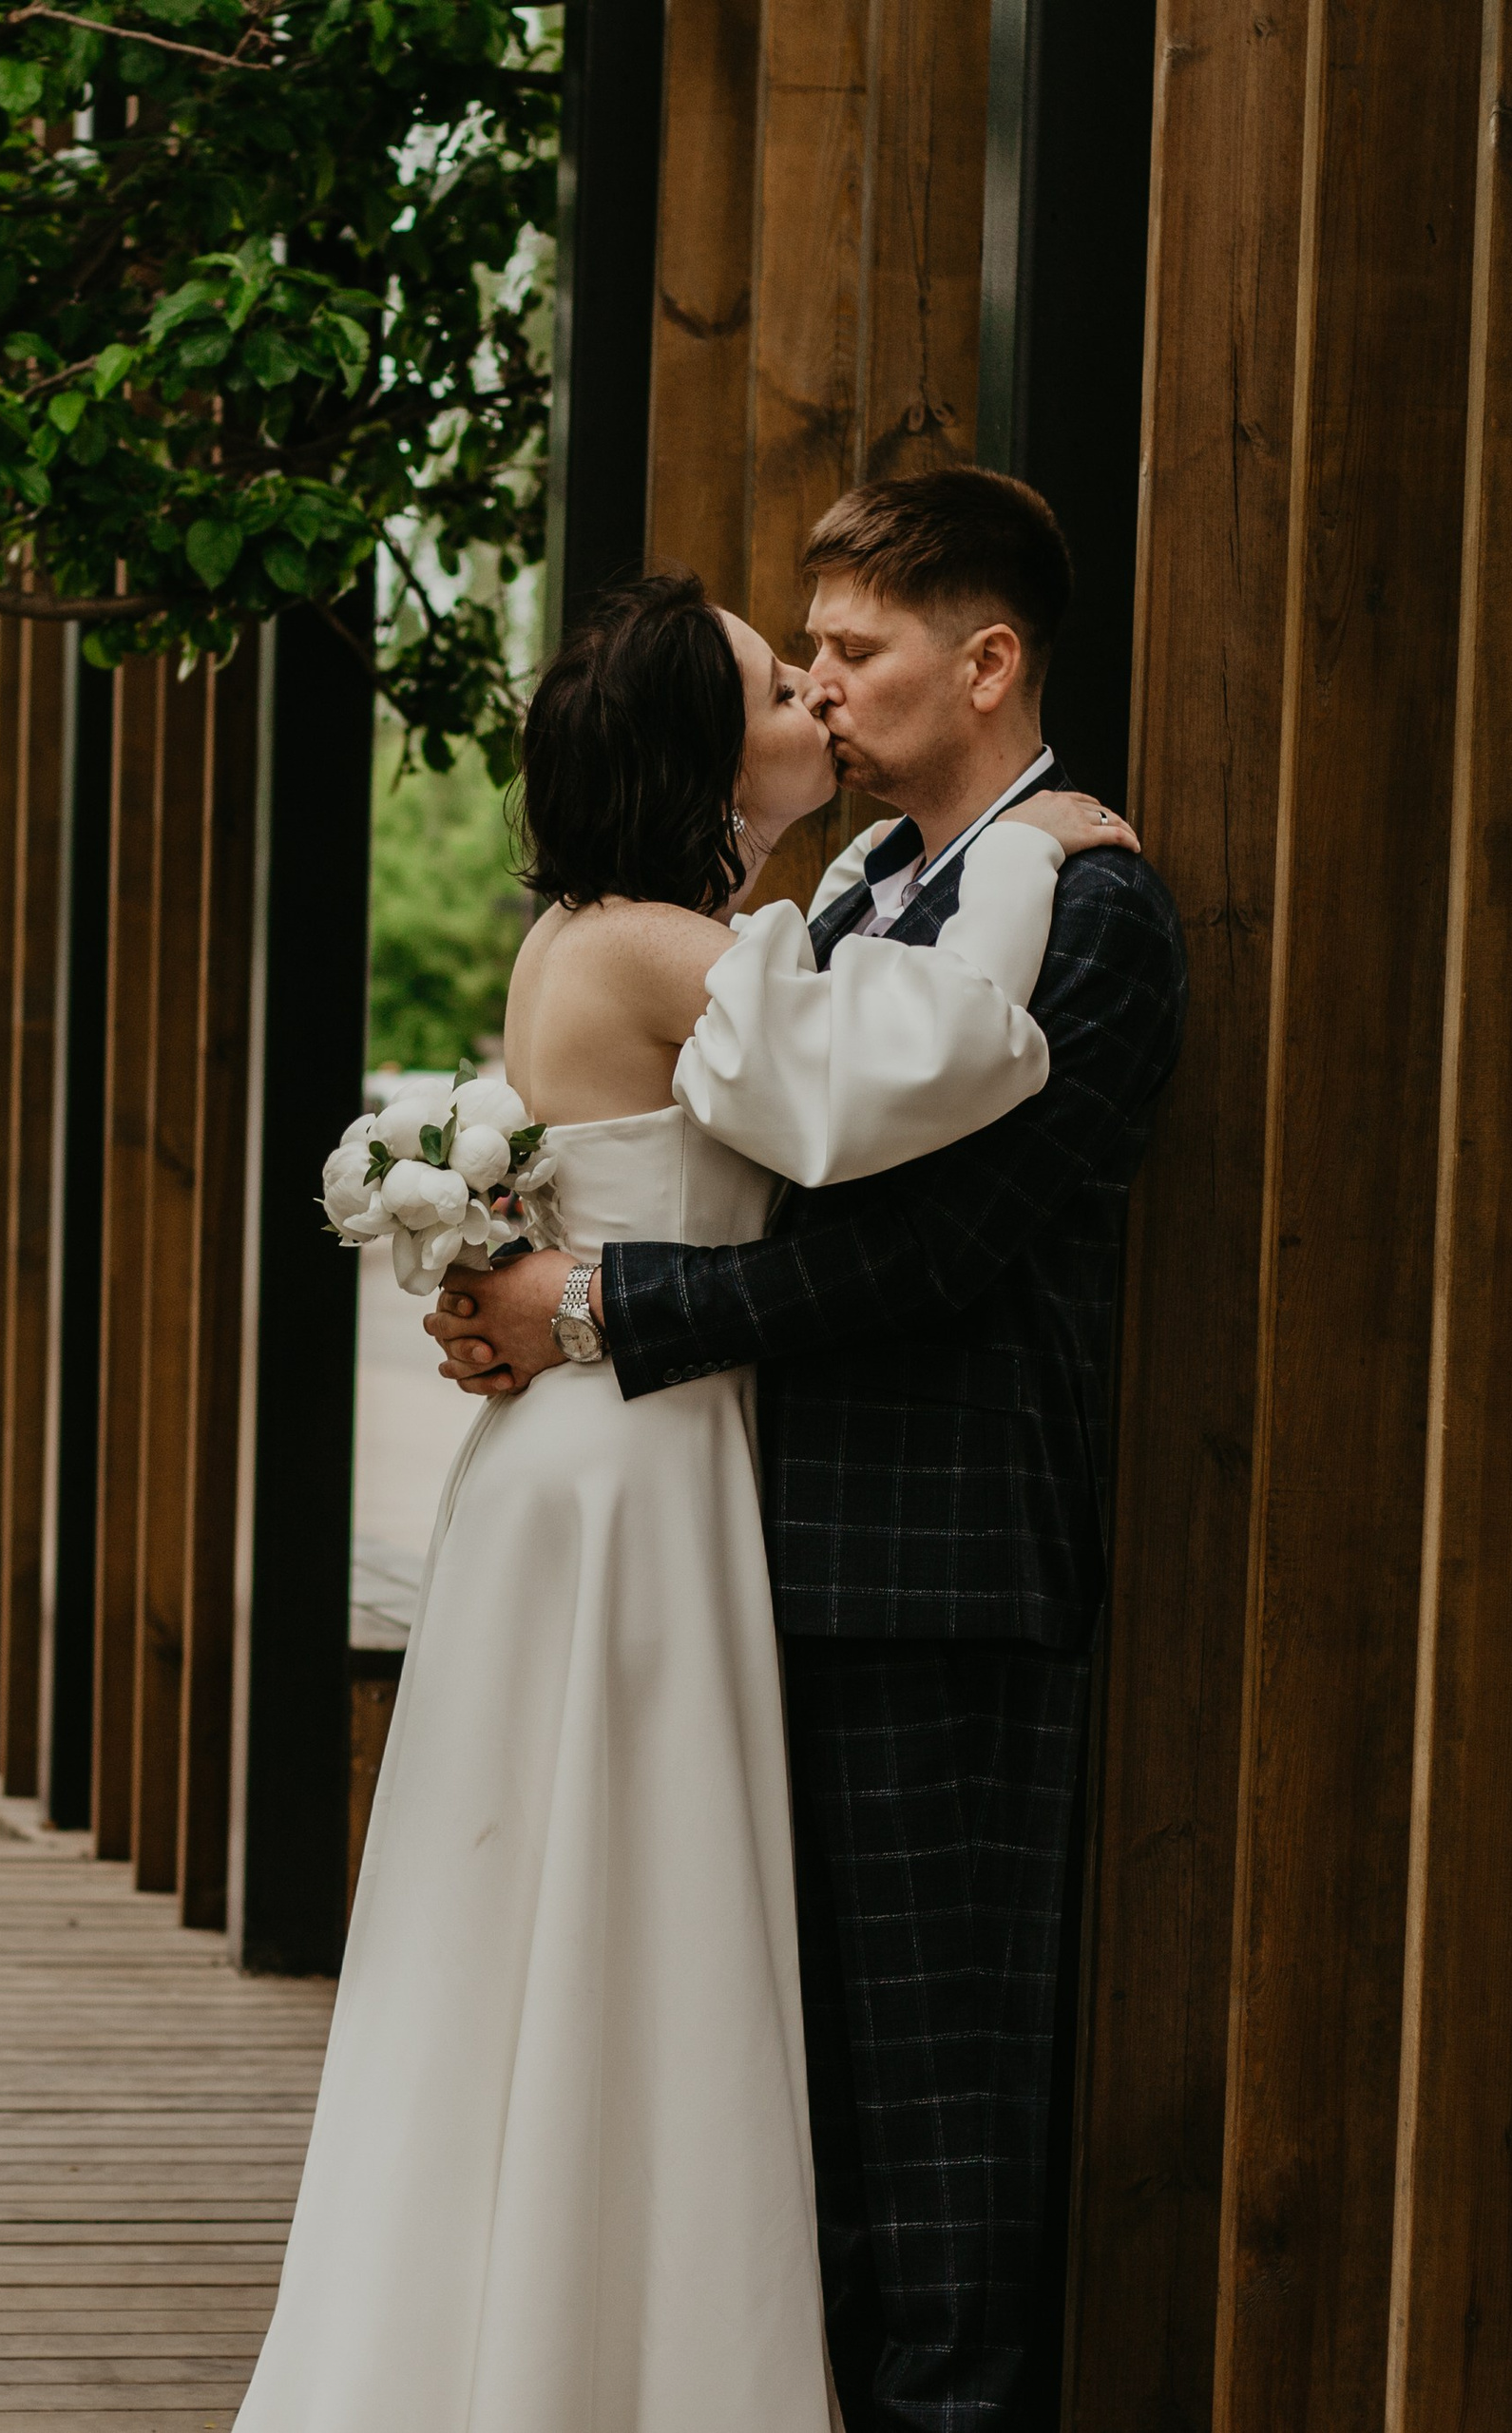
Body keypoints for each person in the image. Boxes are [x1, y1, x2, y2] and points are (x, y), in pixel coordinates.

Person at [235, 546, 1144, 2432]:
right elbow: (907, 1072)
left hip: (584, 1462)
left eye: (826, 661)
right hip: (637, 1471)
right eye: (766, 683)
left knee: (558, 1919)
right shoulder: (678, 943)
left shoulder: (615, 929)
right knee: (621, 1919)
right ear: (694, 757)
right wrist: (1038, 862)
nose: (806, 700)